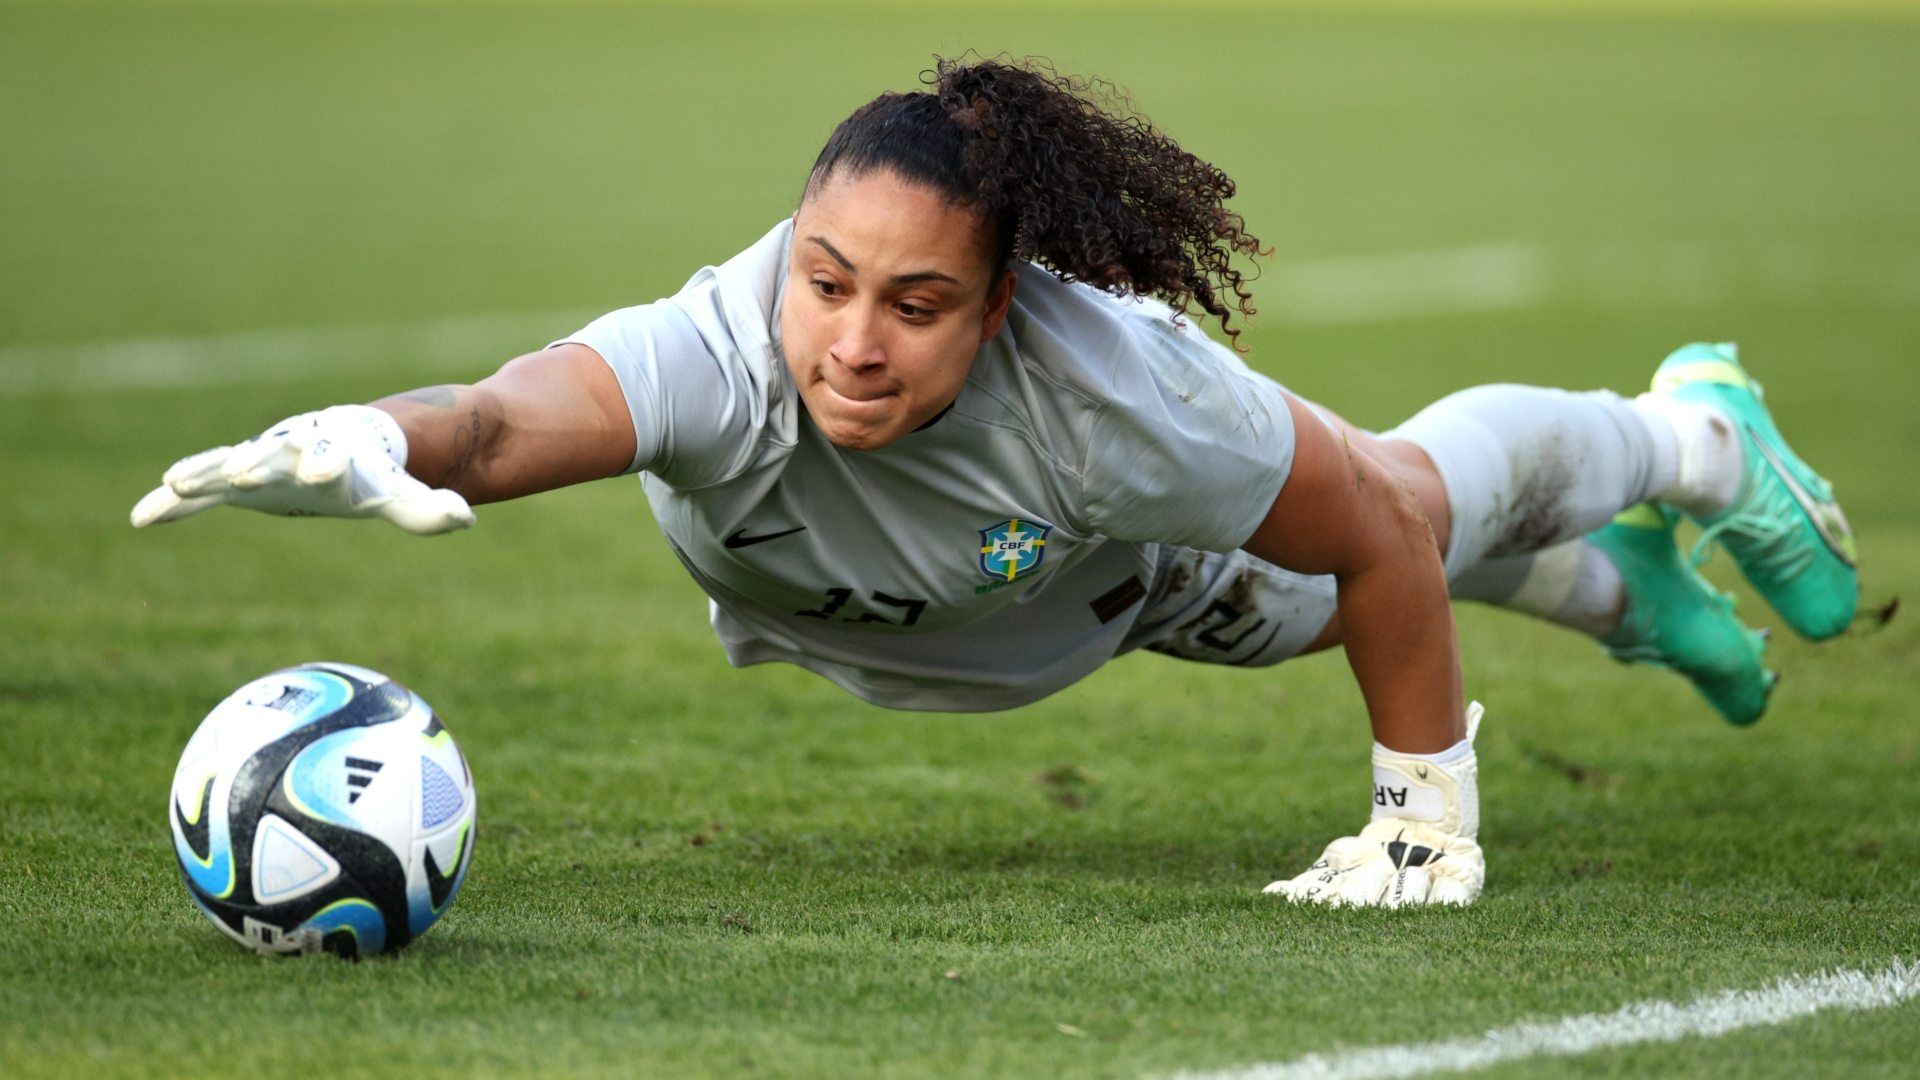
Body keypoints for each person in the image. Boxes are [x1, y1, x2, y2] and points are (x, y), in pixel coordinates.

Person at [131, 57, 1861, 908]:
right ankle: (1628, 594)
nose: (853, 344)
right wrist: (376, 436)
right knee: (1372, 572)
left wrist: (1426, 821)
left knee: (1383, 520)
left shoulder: (1124, 403)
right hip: (980, 600)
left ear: (1005, 307)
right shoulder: (719, 355)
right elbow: (505, 425)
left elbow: (1384, 532)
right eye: (826, 281)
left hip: (1120, 578)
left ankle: (1691, 432)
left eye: (916, 303)